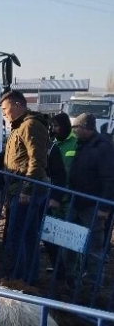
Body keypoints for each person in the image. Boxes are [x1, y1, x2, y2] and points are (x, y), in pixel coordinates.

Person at [0, 90, 50, 283]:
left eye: (6, 109)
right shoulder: (17, 129)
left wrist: (27, 189)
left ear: (17, 105)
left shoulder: (31, 125)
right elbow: (3, 160)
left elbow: (37, 160)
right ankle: (26, 278)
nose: (4, 114)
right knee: (26, 237)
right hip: (17, 190)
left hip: (26, 191)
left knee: (18, 237)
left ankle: (19, 279)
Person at [68, 113, 114, 279]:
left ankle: (94, 284)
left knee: (94, 246)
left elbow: (109, 179)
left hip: (93, 206)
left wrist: (104, 207)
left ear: (85, 128)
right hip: (77, 202)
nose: (74, 131)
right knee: (72, 243)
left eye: (77, 128)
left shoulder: (103, 147)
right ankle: (74, 277)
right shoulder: (83, 144)